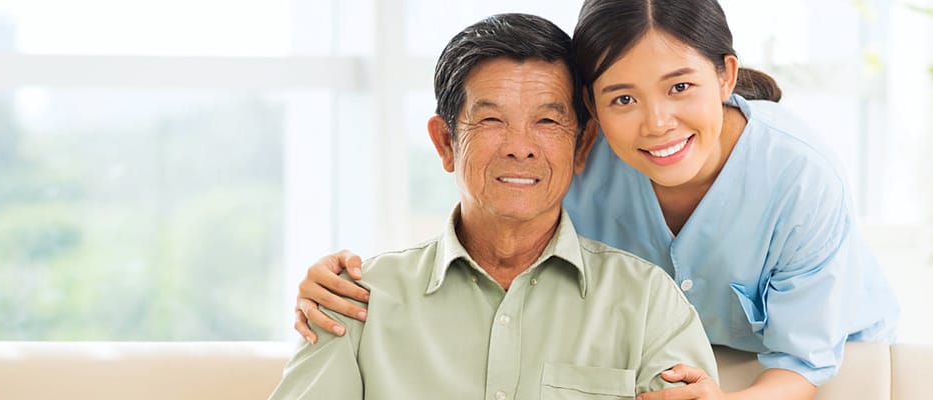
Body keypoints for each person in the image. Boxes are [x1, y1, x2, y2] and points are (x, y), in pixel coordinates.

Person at [296, 1, 900, 399]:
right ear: (593, 113)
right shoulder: (581, 154)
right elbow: (491, 209)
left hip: (815, 361)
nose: (656, 123)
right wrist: (342, 280)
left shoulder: (797, 174)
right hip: (662, 347)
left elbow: (802, 360)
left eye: (681, 87)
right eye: (622, 98)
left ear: (725, 76)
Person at [267, 13, 718, 400]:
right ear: (446, 143)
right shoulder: (354, 301)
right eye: (490, 120)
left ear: (582, 145)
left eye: (546, 120)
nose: (520, 148)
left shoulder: (647, 304)